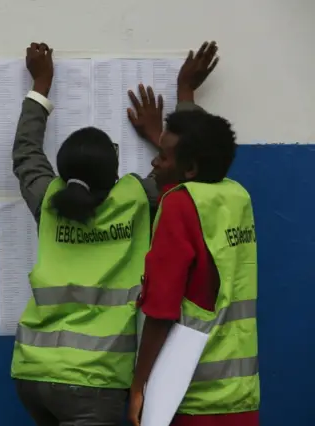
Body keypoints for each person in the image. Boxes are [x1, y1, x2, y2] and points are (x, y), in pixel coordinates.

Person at [7, 40, 217, 426]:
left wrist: (41, 82)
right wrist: (182, 99)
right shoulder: (136, 197)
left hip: (32, 373)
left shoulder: (47, 198)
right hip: (93, 381)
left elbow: (25, 153)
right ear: (113, 172)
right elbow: (189, 166)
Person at [126, 44, 260, 426]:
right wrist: (185, 96)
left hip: (188, 395)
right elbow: (197, 162)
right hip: (240, 396)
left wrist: (140, 385)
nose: (155, 159)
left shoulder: (178, 206)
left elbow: (162, 309)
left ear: (188, 168)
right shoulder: (237, 197)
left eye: (162, 155)